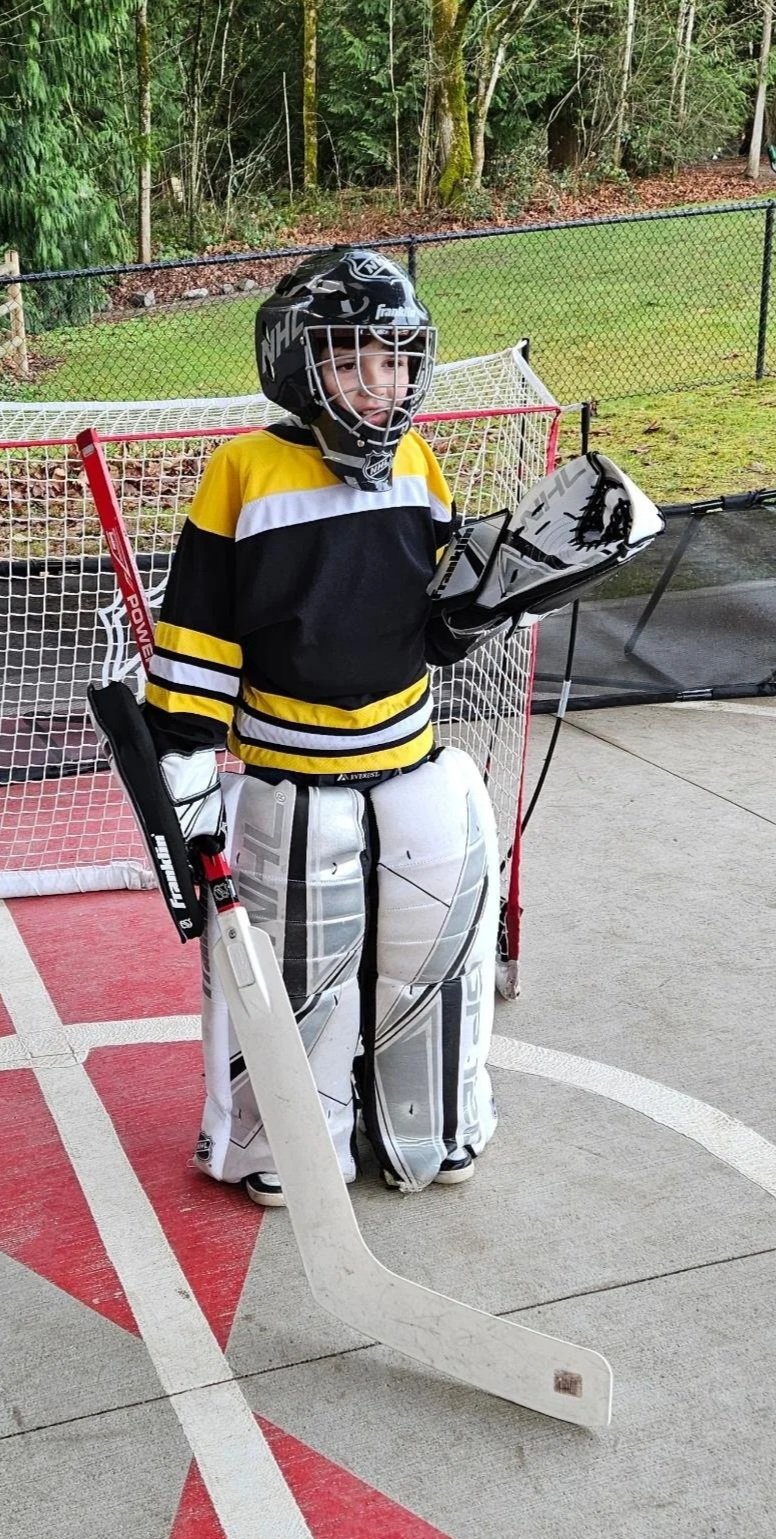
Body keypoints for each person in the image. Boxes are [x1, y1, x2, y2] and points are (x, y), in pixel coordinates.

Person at [143, 246, 503, 1206]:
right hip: (293, 776)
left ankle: (430, 1125)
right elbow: (200, 630)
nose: (379, 385)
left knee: (433, 955)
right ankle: (284, 1143)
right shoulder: (245, 471)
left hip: (410, 755)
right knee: (298, 970)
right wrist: (179, 753)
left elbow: (428, 623)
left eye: (396, 361)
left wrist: (484, 600)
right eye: (351, 361)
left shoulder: (418, 464)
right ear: (297, 363)